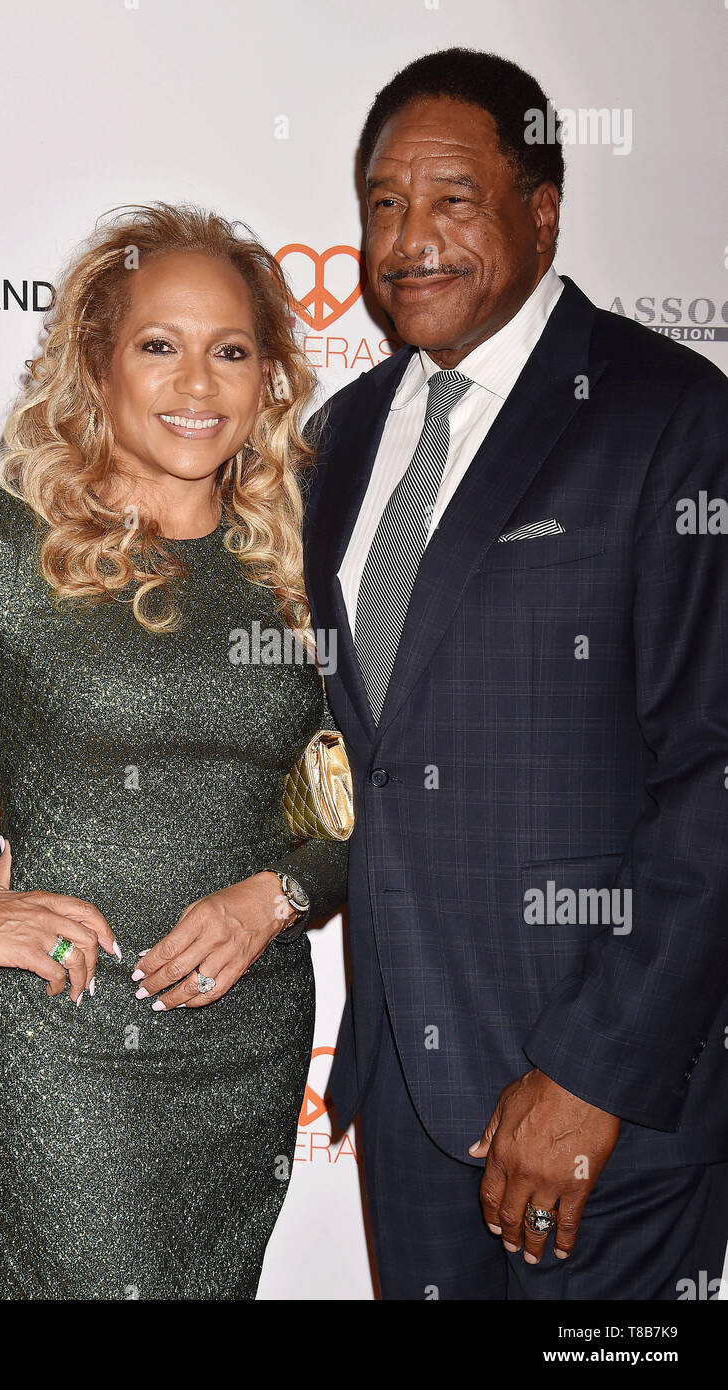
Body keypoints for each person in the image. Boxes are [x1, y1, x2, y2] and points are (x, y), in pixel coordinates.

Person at [0, 202, 347, 1300]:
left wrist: (282, 892)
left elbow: (361, 800)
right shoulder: (0, 545)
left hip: (248, 1038)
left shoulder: (303, 566)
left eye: (230, 350)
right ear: (95, 365)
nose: (196, 383)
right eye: (158, 345)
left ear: (268, 379)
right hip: (60, 1037)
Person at [305, 47, 728, 1299]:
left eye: (451, 199)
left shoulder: (668, 415)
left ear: (540, 211)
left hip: (595, 1109)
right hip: (407, 1094)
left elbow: (711, 768)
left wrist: (592, 1071)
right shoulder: (341, 436)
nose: (408, 240)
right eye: (383, 204)